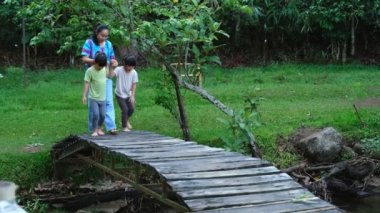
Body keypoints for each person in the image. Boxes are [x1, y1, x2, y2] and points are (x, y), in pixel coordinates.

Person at [81, 24, 118, 135]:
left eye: (106, 36)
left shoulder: (108, 44)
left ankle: (111, 127)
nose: (104, 38)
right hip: (94, 75)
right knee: (94, 103)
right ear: (97, 33)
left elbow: (112, 58)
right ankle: (94, 128)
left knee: (108, 102)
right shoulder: (89, 43)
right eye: (102, 35)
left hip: (106, 75)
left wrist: (114, 63)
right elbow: (84, 58)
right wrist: (96, 61)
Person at [108, 56, 138, 132]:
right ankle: (124, 127)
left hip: (128, 95)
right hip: (119, 94)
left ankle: (125, 120)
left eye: (132, 66)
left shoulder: (134, 72)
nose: (130, 68)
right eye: (128, 66)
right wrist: (111, 67)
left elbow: (134, 84)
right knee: (125, 109)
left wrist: (132, 96)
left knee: (131, 109)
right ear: (125, 64)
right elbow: (110, 76)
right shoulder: (119, 69)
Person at [82, 52, 108, 137]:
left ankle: (99, 128)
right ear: (95, 62)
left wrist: (112, 67)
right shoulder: (89, 71)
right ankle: (94, 129)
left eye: (102, 66)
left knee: (103, 115)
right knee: (96, 114)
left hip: (103, 98)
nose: (101, 68)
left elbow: (110, 75)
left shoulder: (104, 69)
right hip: (93, 97)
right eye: (99, 66)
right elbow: (86, 83)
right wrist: (84, 96)